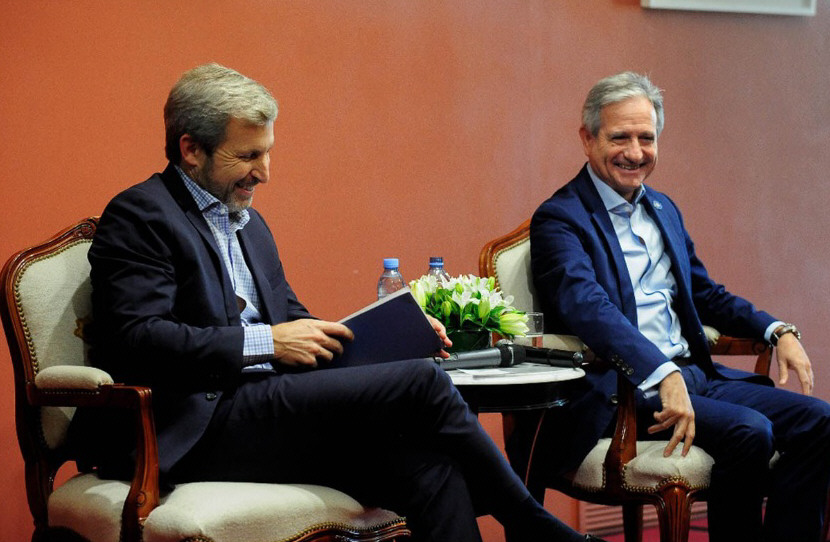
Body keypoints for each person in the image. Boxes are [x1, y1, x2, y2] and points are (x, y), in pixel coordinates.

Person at [67, 63, 608, 542]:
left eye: (268, 152)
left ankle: (526, 526)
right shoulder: (142, 215)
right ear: (191, 149)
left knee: (428, 467)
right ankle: (532, 525)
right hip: (194, 423)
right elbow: (138, 339)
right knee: (422, 382)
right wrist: (266, 342)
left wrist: (384, 336)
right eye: (248, 155)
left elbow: (292, 319)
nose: (265, 171)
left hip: (267, 409)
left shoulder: (249, 224)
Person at [525, 71, 830, 541]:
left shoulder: (663, 209)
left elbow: (704, 294)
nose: (635, 152)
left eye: (646, 138)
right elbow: (588, 308)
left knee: (819, 422)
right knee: (750, 432)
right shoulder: (560, 219)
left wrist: (777, 330)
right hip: (626, 392)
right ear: (587, 139)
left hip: (695, 376)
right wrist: (660, 371)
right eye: (619, 137)